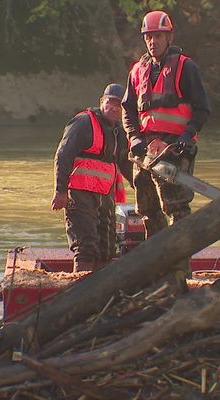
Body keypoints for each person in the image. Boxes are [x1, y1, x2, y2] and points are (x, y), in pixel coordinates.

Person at [122, 10, 211, 292]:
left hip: (175, 150)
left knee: (176, 209)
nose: (152, 42)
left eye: (158, 36)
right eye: (148, 37)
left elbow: (202, 109)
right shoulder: (137, 71)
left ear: (168, 36)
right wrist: (134, 138)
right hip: (144, 151)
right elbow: (128, 110)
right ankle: (154, 266)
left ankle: (180, 269)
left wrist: (186, 138)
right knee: (147, 210)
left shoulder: (186, 67)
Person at [51, 83, 133, 272]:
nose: (113, 107)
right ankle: (81, 286)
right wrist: (60, 190)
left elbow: (126, 164)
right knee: (85, 245)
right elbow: (63, 155)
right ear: (102, 102)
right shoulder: (83, 123)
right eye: (109, 102)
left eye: (118, 105)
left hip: (105, 196)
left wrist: (142, 187)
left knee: (107, 248)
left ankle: (103, 288)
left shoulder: (119, 132)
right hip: (80, 194)